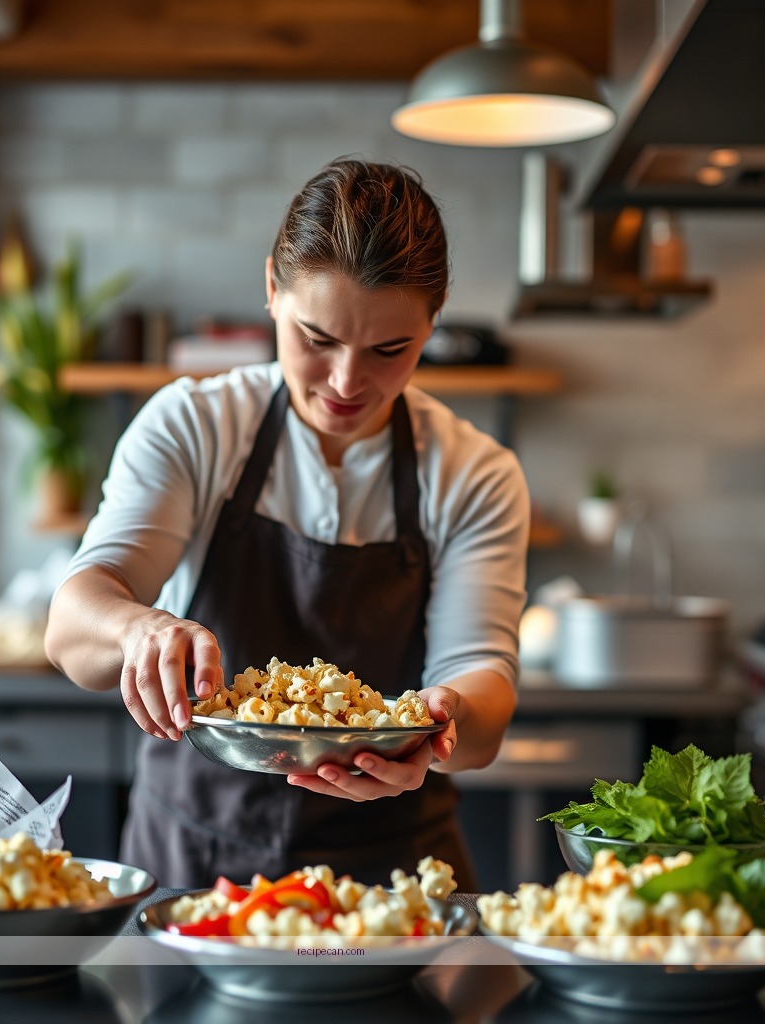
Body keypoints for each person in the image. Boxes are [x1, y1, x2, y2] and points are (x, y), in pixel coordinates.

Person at [45, 157, 530, 891]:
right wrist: (137, 629)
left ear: (432, 323)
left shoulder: (474, 473)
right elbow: (72, 628)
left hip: (391, 881)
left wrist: (442, 723)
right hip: (195, 869)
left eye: (390, 351)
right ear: (272, 289)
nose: (345, 382)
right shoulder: (195, 426)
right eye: (317, 338)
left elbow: (483, 695)